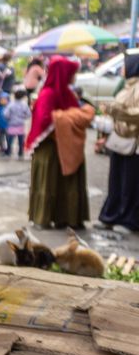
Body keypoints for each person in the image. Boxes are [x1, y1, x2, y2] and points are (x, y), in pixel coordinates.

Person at [26, 56, 94, 229]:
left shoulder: (67, 93)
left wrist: (73, 117)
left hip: (65, 146)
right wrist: (70, 117)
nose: (74, 77)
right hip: (49, 149)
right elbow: (45, 121)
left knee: (66, 183)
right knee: (48, 184)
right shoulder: (48, 94)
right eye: (72, 73)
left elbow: (71, 114)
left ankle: (67, 218)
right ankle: (44, 217)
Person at [99, 51, 139, 231]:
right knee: (116, 182)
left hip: (133, 143)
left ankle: (128, 220)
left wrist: (116, 111)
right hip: (120, 141)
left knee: (129, 184)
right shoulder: (127, 87)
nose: (122, 69)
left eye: (125, 65)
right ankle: (111, 216)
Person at [2, 88, 31, 158]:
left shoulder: (11, 104)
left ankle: (8, 152)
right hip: (20, 125)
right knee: (21, 140)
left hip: (12, 125)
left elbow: (5, 114)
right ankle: (20, 152)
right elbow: (28, 114)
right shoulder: (24, 105)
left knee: (9, 140)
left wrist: (8, 119)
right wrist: (23, 117)